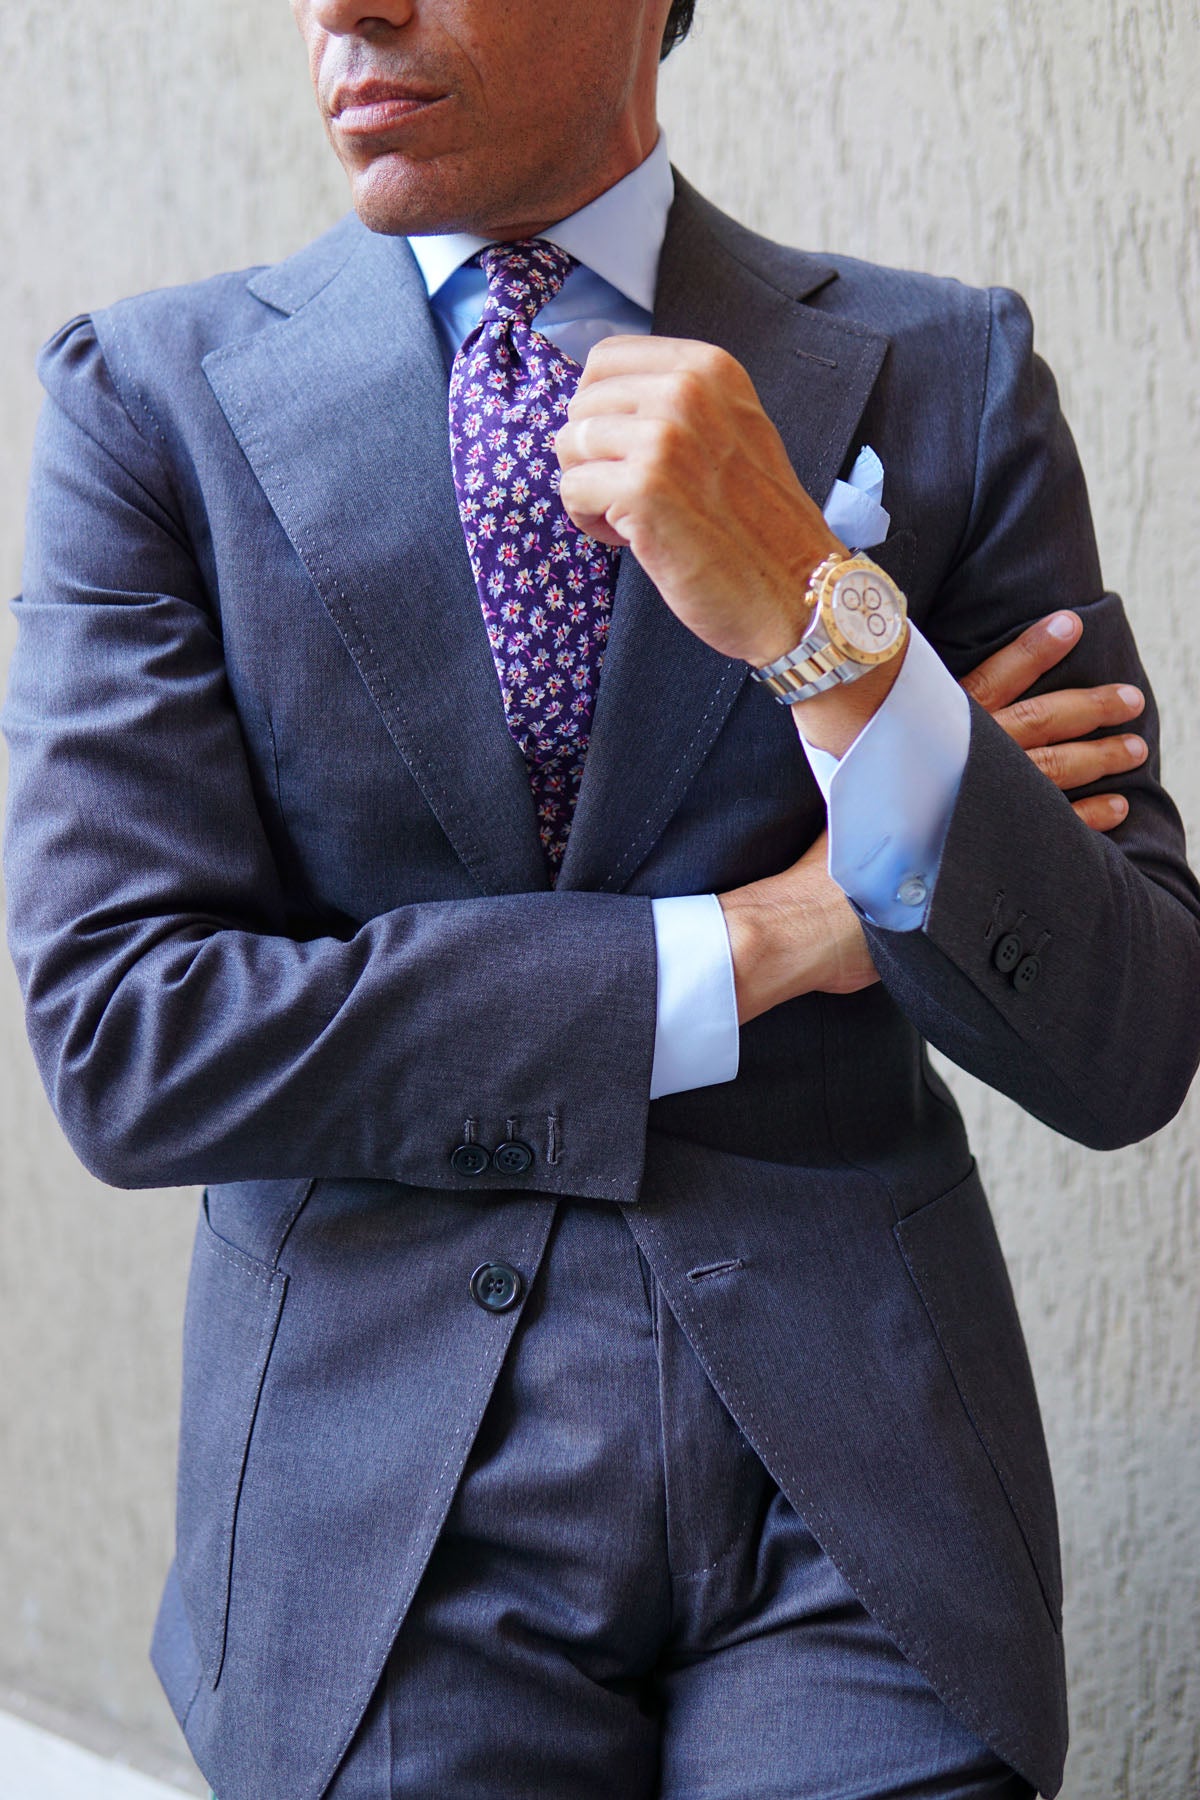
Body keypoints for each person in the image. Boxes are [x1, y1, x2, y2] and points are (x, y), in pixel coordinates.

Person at [5, 1, 1199, 1796]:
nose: (346, 9)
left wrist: (824, 615)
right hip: (380, 1511)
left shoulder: (940, 371)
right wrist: (770, 938)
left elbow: (1125, 1046)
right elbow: (132, 1038)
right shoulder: (150, 405)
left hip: (860, 1491)